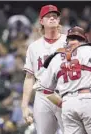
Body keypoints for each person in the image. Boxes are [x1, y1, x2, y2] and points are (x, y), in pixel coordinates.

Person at [40, 26, 91, 134]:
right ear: (84, 40)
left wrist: (63, 103)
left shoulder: (56, 58)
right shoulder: (89, 49)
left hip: (67, 104)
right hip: (88, 100)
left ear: (67, 41)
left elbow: (46, 91)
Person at [21, 4, 66, 134]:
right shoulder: (34, 47)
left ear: (58, 20)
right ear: (41, 21)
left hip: (65, 93)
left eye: (55, 16)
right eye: (48, 16)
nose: (52, 18)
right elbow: (29, 78)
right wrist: (24, 106)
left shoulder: (69, 42)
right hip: (43, 95)